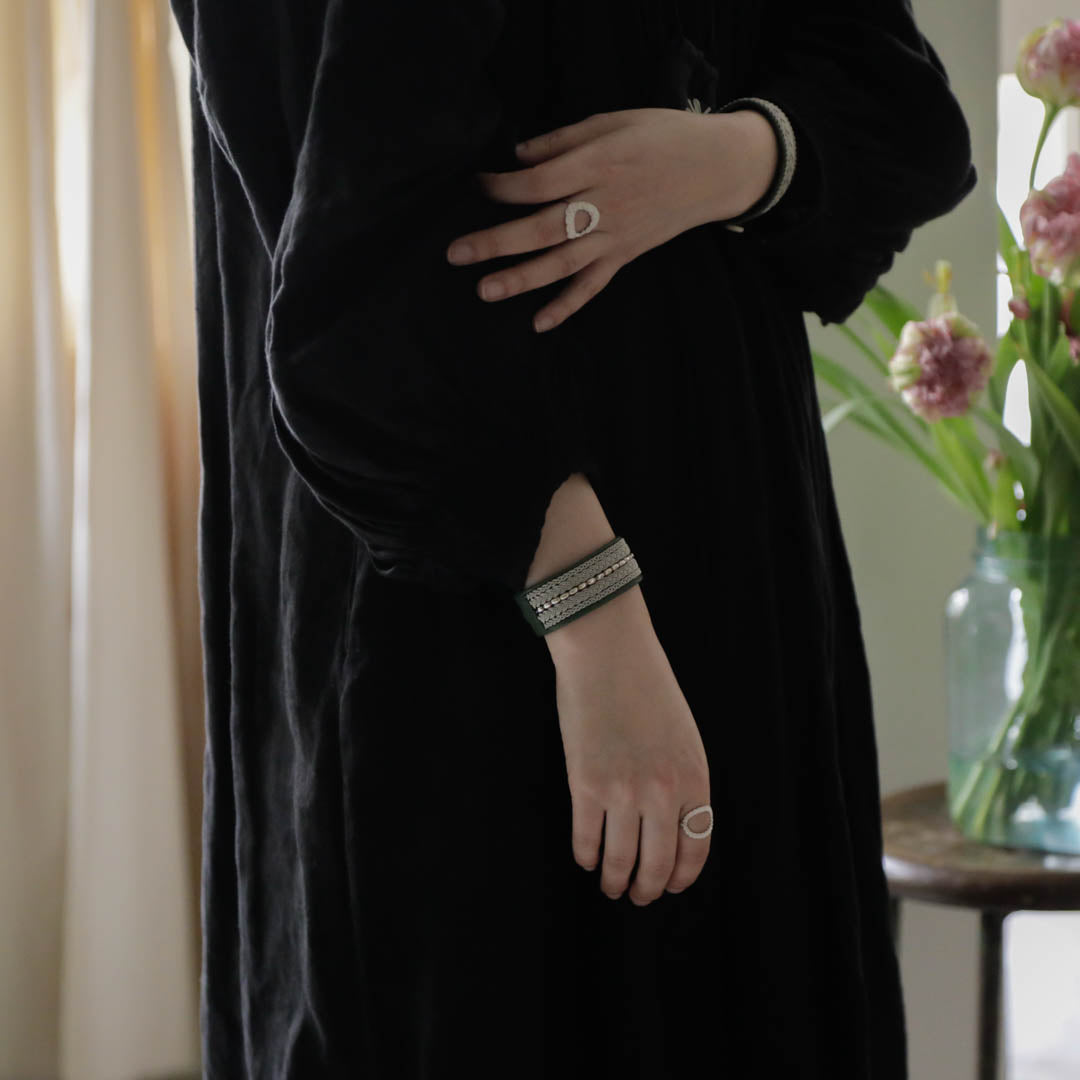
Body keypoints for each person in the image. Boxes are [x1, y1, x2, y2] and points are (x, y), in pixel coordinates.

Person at [169, 0, 977, 1076]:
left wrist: (736, 158)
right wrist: (590, 606)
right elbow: (355, 284)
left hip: (738, 542)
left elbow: (906, 113)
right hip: (452, 603)